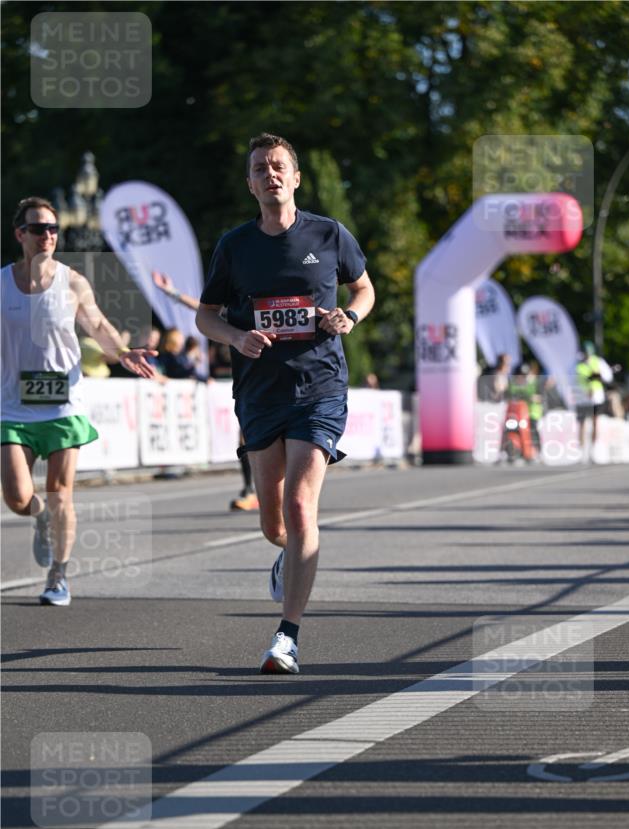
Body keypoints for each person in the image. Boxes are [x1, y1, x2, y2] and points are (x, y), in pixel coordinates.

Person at [195, 132, 375, 673]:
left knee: (301, 508)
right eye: (259, 168)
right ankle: (286, 557)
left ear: (295, 177)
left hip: (318, 388)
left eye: (278, 166)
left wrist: (350, 317)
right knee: (274, 523)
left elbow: (363, 289)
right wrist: (234, 337)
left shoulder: (330, 234)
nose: (270, 174)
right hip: (259, 393)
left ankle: (287, 637)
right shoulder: (235, 245)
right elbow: (206, 315)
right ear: (250, 183)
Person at [1, 196, 157, 606]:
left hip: (62, 402)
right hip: (13, 406)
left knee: (60, 492)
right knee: (17, 497)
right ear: (20, 234)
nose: (48, 235)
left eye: (53, 228)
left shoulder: (72, 281)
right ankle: (40, 519)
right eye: (38, 229)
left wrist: (123, 353)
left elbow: (99, 324)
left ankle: (58, 575)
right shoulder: (1, 283)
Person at [152, 270, 259, 509]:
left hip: (275, 377)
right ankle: (249, 489)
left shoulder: (265, 305)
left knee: (273, 441)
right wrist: (172, 292)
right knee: (245, 437)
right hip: (248, 382)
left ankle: (274, 490)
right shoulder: (234, 310)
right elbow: (201, 308)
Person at [575, 341, 613, 456]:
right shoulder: (578, 364)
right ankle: (581, 449)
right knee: (582, 423)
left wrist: (599, 374)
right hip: (583, 397)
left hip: (596, 397)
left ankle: (593, 448)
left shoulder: (599, 362)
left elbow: (608, 376)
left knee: (595, 422)